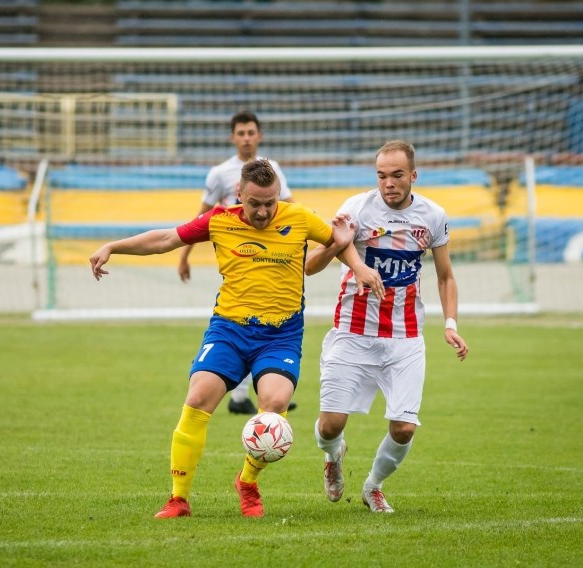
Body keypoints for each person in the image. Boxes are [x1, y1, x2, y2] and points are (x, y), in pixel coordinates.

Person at [90, 159, 384, 519]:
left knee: (274, 406)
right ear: (239, 195)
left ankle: (247, 483)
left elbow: (338, 241)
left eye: (270, 203)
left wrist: (359, 266)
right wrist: (113, 247)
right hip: (229, 330)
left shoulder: (300, 217)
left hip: (280, 334)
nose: (263, 211)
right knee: (198, 397)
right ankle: (178, 499)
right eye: (255, 203)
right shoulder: (219, 220)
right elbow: (166, 238)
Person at [304, 140, 469, 513]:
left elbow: (445, 276)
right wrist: (357, 265)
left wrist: (451, 323)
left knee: (404, 428)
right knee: (330, 426)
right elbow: (315, 262)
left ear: (413, 175)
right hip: (353, 330)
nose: (388, 183)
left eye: (396, 175)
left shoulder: (433, 216)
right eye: (381, 176)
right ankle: (333, 457)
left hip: (405, 335)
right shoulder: (356, 209)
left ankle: (373, 486)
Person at [178, 111, 297, 415]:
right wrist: (184, 255)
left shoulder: (274, 170)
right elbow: (201, 216)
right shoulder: (220, 173)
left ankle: (256, 390)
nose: (246, 138)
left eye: (251, 132)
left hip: (272, 260)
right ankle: (240, 394)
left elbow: (291, 211)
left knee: (262, 322)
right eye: (241, 133)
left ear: (259, 136)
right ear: (233, 137)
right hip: (236, 258)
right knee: (238, 319)